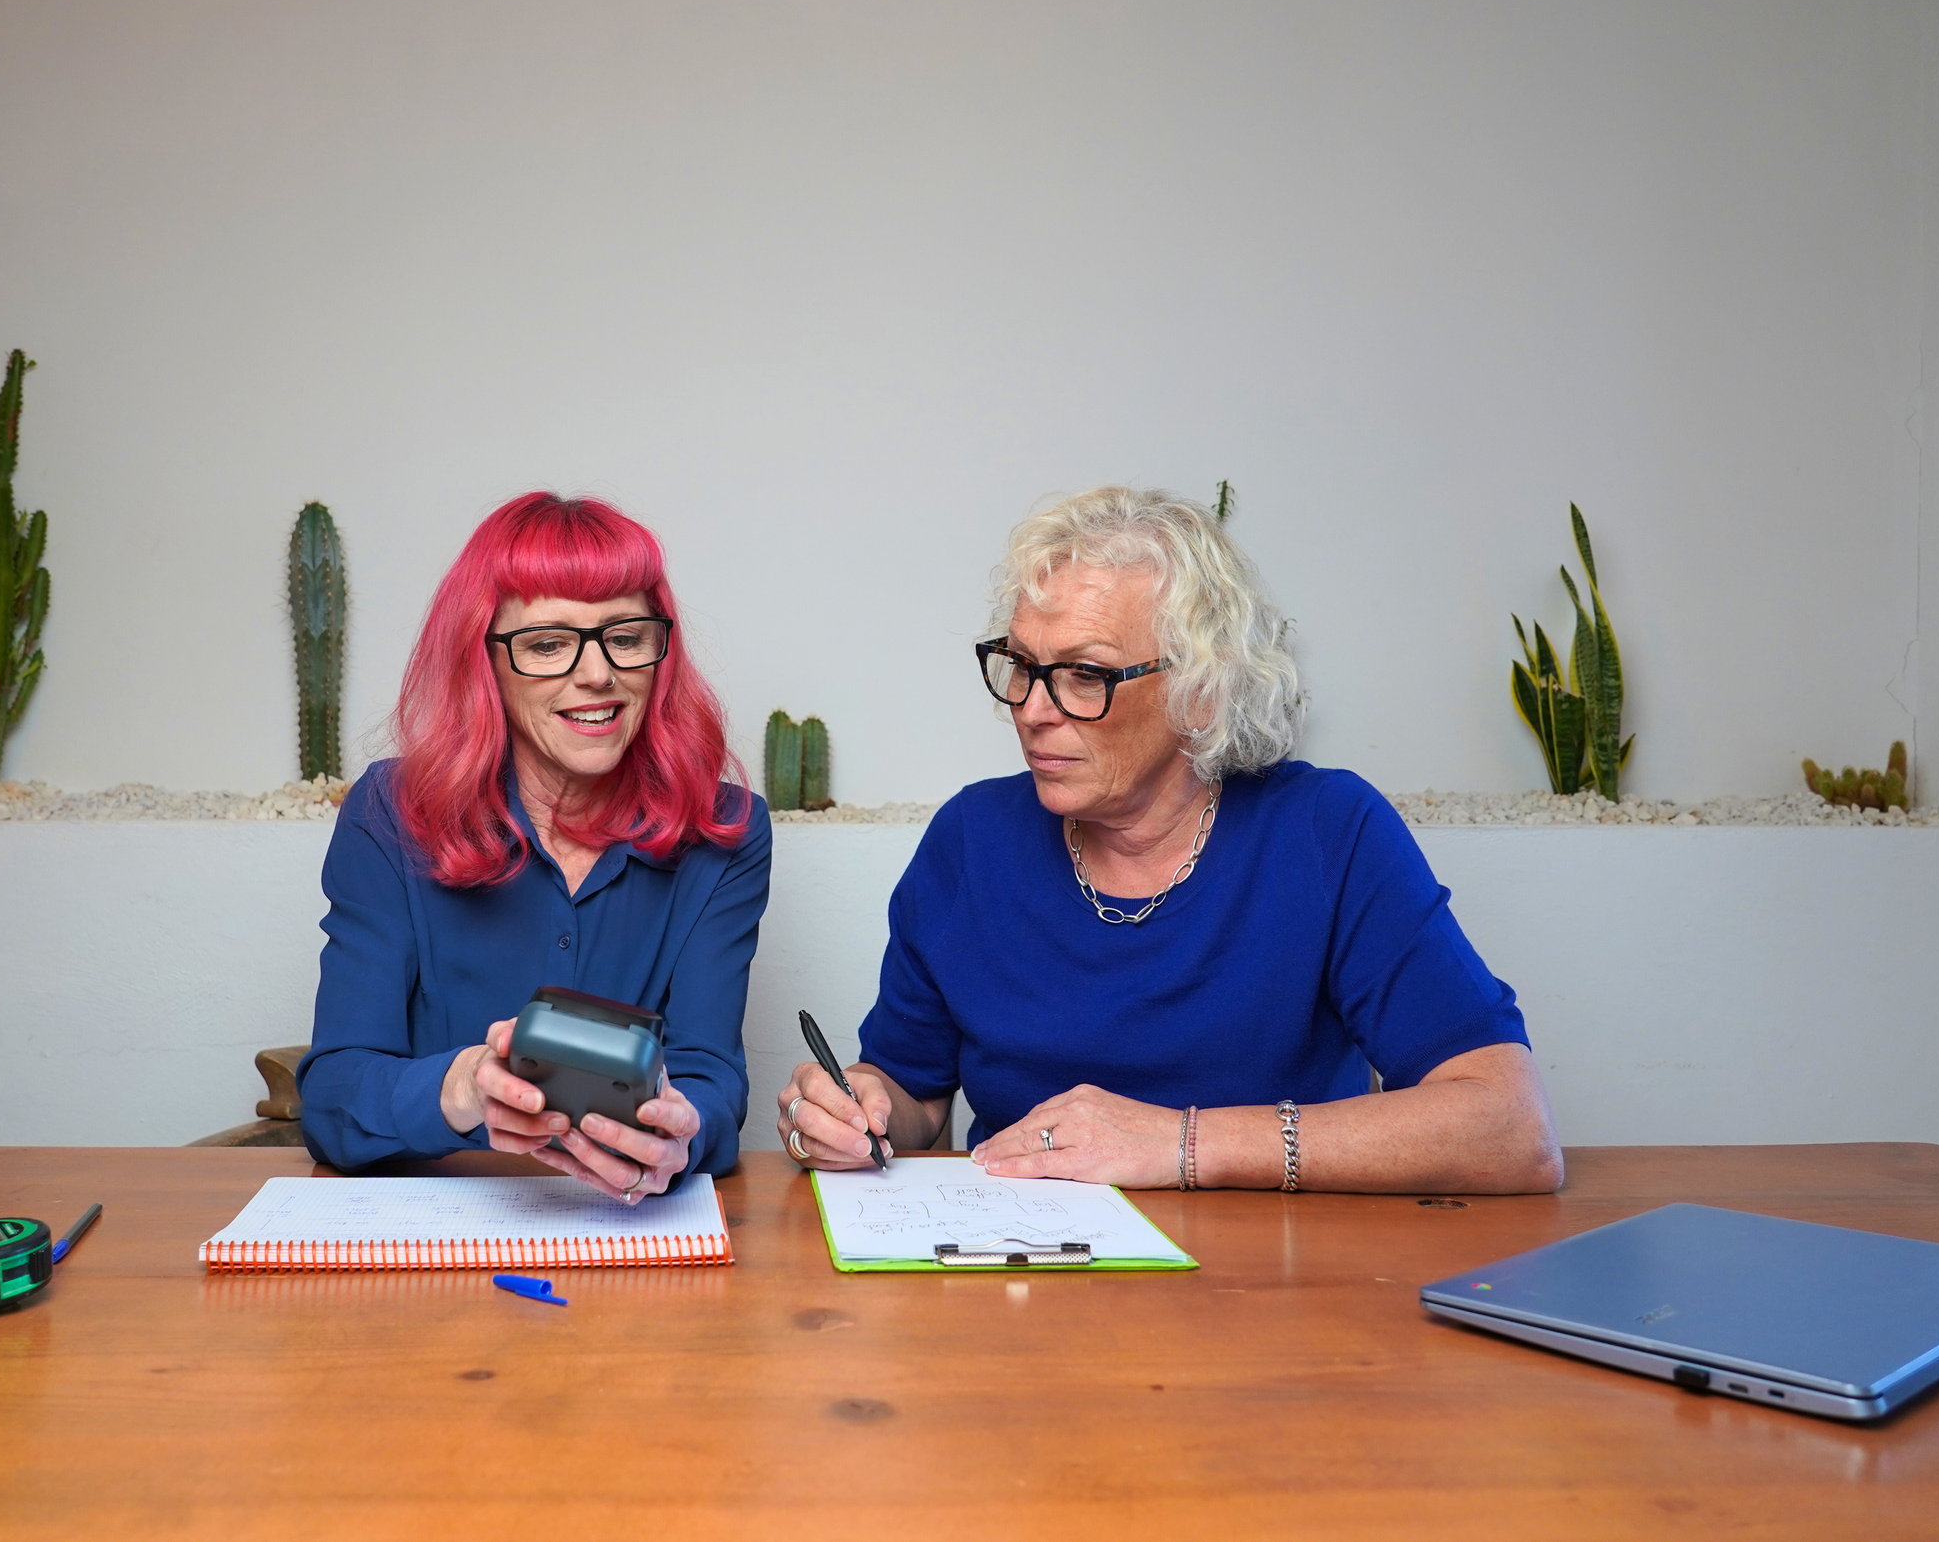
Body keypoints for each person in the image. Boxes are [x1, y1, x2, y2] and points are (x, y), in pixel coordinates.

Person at [777, 484, 1562, 1194]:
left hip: (1282, 1300)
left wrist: (1181, 1144)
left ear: (1203, 688)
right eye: (1020, 665)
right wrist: (859, 1111)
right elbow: (912, 1096)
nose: (1031, 709)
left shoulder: (1327, 833)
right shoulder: (970, 842)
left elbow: (1511, 1129)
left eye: (1085, 674)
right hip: (1022, 1290)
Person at [300, 492, 768, 1202]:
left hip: (629, 1230)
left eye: (627, 635)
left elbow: (712, 1082)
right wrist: (460, 1089)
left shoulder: (726, 832)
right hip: (435, 1235)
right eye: (548, 644)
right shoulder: (388, 815)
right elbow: (333, 1096)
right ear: (482, 664)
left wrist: (680, 1130)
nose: (598, 674)